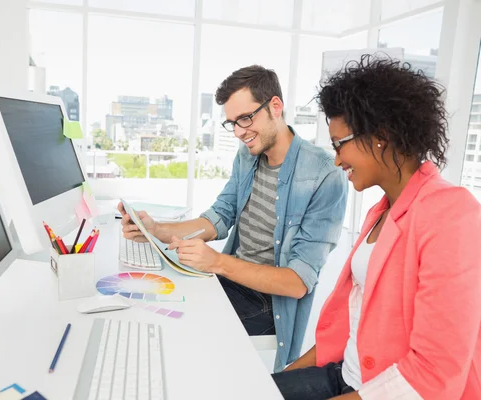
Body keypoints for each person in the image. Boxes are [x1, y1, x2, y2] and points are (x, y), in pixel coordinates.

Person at [272, 55, 481, 400]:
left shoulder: (453, 215)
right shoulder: (381, 211)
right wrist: (275, 379)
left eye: (340, 144)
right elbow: (348, 330)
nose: (337, 160)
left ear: (381, 135)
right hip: (344, 375)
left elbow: (433, 375)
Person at [118, 65, 348, 371]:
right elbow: (219, 217)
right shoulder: (248, 155)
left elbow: (297, 283)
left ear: (275, 107)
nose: (239, 131)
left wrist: (215, 262)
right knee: (153, 300)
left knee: (171, 328)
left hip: (268, 302)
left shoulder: (324, 174)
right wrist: (157, 229)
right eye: (232, 123)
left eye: (245, 118)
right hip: (229, 279)